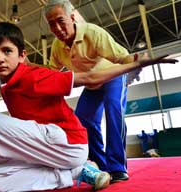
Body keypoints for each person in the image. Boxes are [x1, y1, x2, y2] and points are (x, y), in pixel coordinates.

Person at [0, 21, 177, 191]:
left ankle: (104, 164)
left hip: (68, 142)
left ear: (22, 55)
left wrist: (137, 64)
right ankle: (74, 173)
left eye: (7, 51)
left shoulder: (34, 76)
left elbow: (89, 76)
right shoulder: (7, 86)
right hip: (51, 149)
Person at [44, 0, 139, 182]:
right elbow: (52, 72)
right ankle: (100, 165)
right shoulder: (57, 46)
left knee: (113, 108)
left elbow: (122, 57)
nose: (57, 28)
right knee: (83, 119)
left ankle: (117, 166)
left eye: (60, 21)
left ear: (72, 18)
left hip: (112, 75)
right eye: (51, 24)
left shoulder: (93, 33)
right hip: (92, 84)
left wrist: (135, 66)